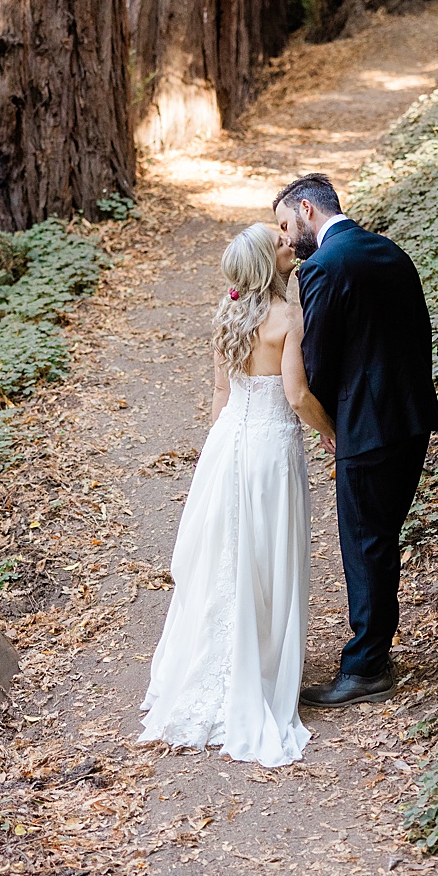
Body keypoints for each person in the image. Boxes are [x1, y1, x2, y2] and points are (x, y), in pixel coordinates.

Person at [140, 223, 330, 767]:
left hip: (228, 447)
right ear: (265, 266)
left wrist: (216, 461)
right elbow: (295, 395)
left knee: (228, 559)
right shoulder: (288, 318)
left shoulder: (226, 315)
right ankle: (260, 671)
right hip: (270, 451)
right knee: (268, 559)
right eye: (279, 242)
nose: (290, 243)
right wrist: (331, 430)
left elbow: (222, 396)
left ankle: (223, 667)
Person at [274, 172, 438, 708]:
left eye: (285, 224)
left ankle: (367, 667)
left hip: (366, 427)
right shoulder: (388, 251)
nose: (286, 237)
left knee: (365, 541)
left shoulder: (324, 266)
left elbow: (319, 361)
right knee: (381, 537)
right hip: (411, 418)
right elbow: (420, 333)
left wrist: (329, 420)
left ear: (306, 209)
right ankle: (375, 651)